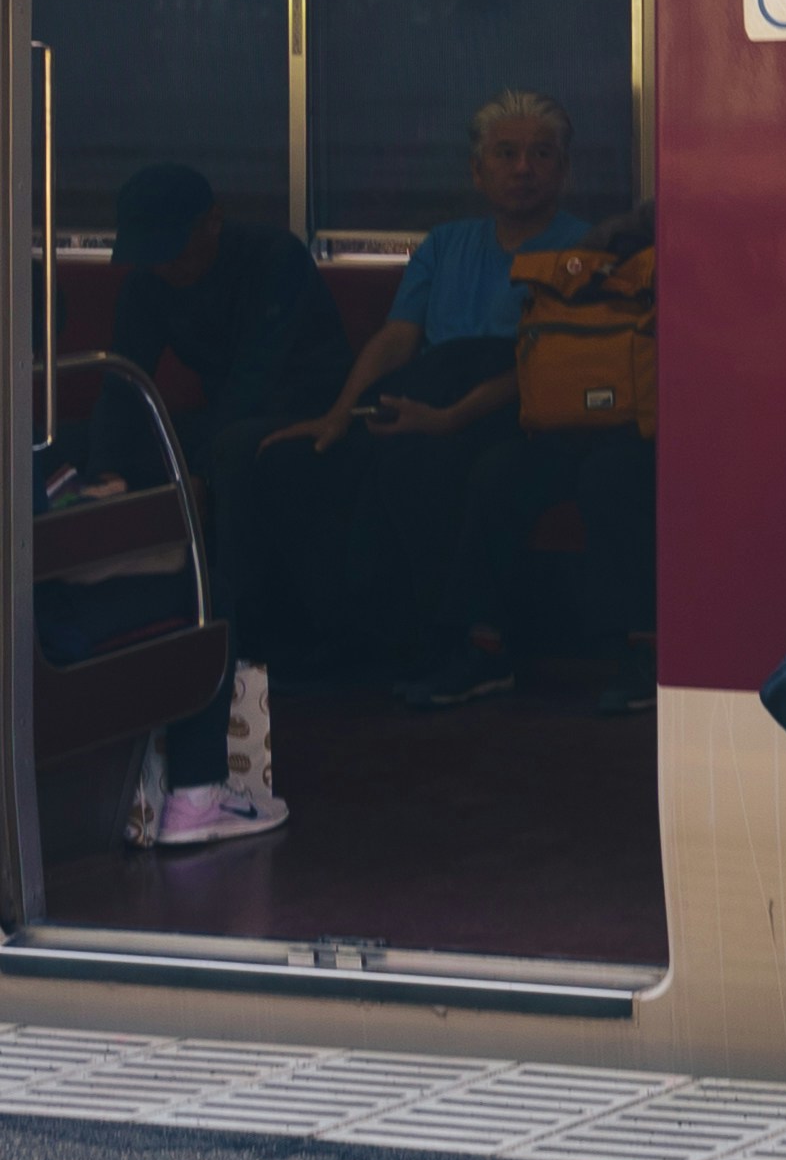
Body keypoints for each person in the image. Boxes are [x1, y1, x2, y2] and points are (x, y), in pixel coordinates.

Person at [274, 90, 590, 701]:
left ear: (564, 170)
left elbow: (550, 365)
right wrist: (340, 413)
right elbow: (397, 339)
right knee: (324, 458)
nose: (523, 167)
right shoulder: (444, 244)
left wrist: (449, 418)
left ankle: (472, 645)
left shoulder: (585, 248)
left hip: (527, 405)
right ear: (478, 171)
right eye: (506, 154)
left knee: (436, 462)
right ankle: (357, 637)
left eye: (541, 154)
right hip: (435, 389)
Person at [96, 161, 343, 845]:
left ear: (213, 222)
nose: (167, 266)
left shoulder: (273, 258)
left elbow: (260, 374)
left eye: (177, 248)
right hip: (225, 411)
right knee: (114, 448)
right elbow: (126, 378)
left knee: (230, 453)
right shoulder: (149, 280)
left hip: (308, 402)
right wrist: (107, 471)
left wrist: (194, 468)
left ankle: (231, 625)